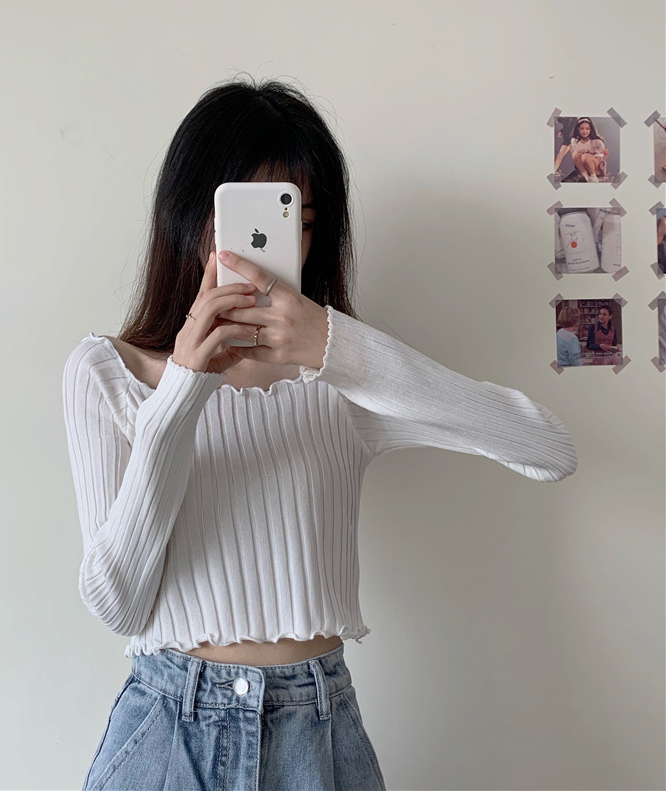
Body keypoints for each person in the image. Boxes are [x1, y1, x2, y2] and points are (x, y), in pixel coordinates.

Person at [62, 78, 578, 791]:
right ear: (189, 217)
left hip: (320, 734)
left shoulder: (343, 380)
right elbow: (116, 602)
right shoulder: (109, 373)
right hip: (170, 733)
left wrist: (340, 349)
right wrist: (183, 387)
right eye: (238, 214)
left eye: (293, 219)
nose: (260, 246)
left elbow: (549, 448)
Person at [554, 117, 609, 182]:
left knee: (585, 156)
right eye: (582, 129)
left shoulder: (597, 141)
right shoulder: (574, 141)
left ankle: (593, 176)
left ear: (590, 129)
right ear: (578, 129)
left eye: (587, 129)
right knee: (575, 154)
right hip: (583, 165)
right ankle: (585, 176)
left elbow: (603, 155)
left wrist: (594, 154)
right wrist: (562, 131)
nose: (584, 131)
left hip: (596, 166)